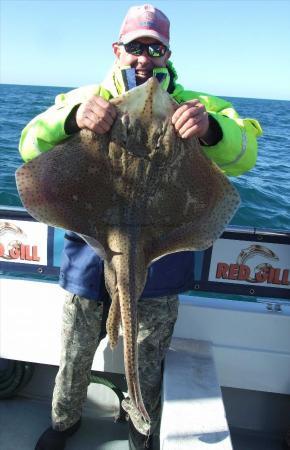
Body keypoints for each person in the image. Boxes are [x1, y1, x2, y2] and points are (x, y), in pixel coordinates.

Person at [19, 4, 262, 450]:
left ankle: (140, 424)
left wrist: (211, 131)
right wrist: (73, 119)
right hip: (89, 255)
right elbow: (29, 142)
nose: (144, 58)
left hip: (161, 254)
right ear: (118, 50)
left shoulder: (199, 106)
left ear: (167, 54)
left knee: (147, 356)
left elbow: (246, 152)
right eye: (135, 47)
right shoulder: (86, 96)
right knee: (74, 353)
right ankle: (63, 423)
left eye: (155, 48)